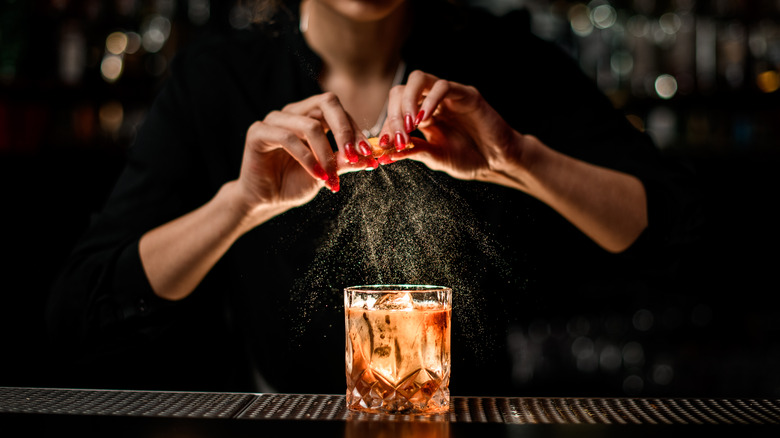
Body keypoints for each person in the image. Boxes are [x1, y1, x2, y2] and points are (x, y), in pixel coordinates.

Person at [46, 0, 700, 395]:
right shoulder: (216, 81)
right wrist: (238, 205)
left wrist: (518, 159)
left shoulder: (511, 62)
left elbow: (673, 231)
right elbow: (83, 310)